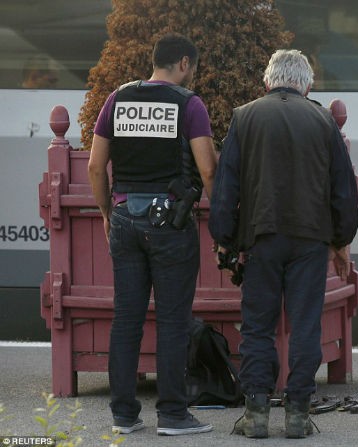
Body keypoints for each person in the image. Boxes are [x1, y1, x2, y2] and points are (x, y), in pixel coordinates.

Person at [208, 49, 358, 439]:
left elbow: (226, 188)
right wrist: (341, 240)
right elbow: (343, 189)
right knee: (305, 324)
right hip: (311, 240)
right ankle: (297, 414)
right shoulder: (324, 120)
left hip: (262, 237)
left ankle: (256, 412)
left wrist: (224, 239)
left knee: (258, 326)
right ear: (307, 85)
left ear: (267, 82)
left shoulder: (245, 116)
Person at [88, 33, 217, 436]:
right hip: (170, 224)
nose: (191, 76)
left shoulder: (116, 99)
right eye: (192, 68)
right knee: (173, 321)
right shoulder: (188, 104)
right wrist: (227, 221)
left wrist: (108, 211)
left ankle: (124, 415)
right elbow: (209, 170)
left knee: (126, 319)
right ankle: (173, 415)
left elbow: (95, 166)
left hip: (125, 218)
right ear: (182, 63)